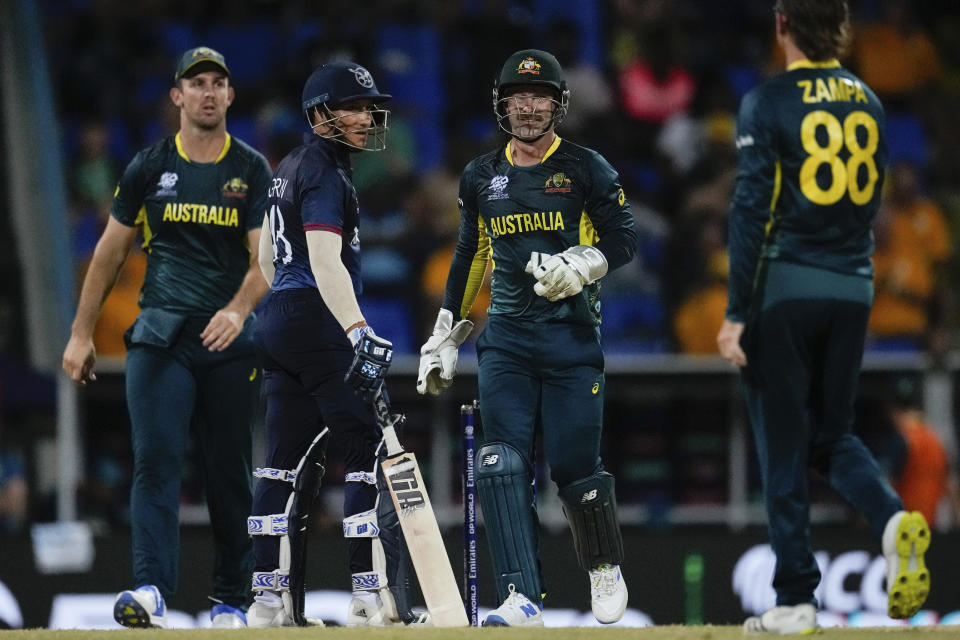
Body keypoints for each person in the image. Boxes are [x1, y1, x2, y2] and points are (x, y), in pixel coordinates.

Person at [716, 1, 930, 633]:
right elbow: (874, 198)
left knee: (782, 442)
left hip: (784, 286)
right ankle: (893, 523)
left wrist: (734, 313)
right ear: (841, 29)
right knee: (830, 436)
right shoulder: (868, 100)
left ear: (782, 24)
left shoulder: (767, 101)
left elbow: (751, 211)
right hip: (854, 287)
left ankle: (795, 600)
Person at [416, 49, 637, 626]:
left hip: (572, 340)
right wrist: (445, 334)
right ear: (502, 104)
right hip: (507, 341)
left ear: (559, 103)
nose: (529, 107)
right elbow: (471, 254)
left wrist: (584, 264)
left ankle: (603, 564)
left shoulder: (587, 168)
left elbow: (624, 240)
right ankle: (521, 598)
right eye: (518, 96)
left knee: (573, 467)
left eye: (539, 96)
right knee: (500, 462)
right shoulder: (481, 176)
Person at [62, 46, 272, 629]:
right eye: (196, 83)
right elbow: (108, 252)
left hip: (228, 343)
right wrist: (81, 335)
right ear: (177, 97)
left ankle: (231, 600)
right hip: (160, 336)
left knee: (228, 471)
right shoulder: (149, 166)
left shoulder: (251, 169)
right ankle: (151, 588)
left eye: (218, 83)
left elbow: (266, 261)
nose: (208, 92)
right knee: (155, 462)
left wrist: (235, 312)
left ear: (231, 96)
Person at [246, 60, 415, 628]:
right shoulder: (324, 170)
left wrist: (288, 315)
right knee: (364, 447)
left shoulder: (286, 166)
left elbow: (269, 259)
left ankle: (266, 600)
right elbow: (323, 259)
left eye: (369, 107)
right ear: (320, 115)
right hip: (318, 322)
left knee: (280, 466)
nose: (367, 117)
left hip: (277, 323)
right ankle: (369, 595)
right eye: (353, 107)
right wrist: (357, 330)